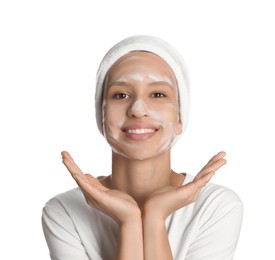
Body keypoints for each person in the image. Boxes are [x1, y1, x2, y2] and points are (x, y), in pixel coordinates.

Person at [42, 35, 243, 260]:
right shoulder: (65, 210)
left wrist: (154, 216)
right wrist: (129, 221)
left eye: (158, 94)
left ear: (179, 118)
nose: (138, 109)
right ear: (101, 115)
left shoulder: (216, 207)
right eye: (120, 95)